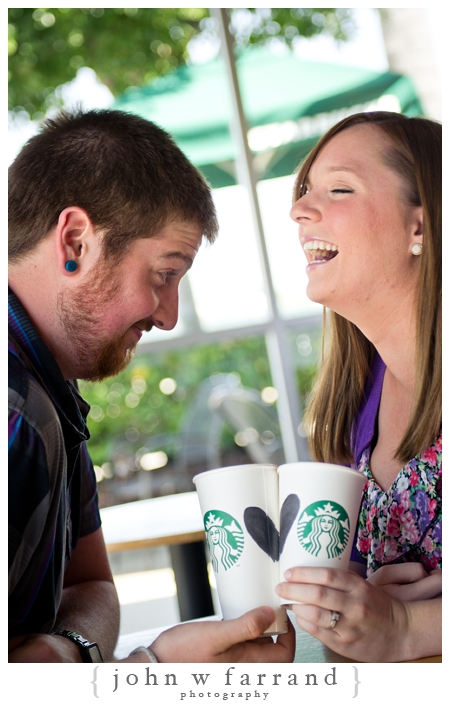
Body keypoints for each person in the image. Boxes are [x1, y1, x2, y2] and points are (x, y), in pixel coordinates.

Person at [8, 108, 295, 663]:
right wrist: (151, 671)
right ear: (75, 242)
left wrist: (66, 656)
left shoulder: (50, 388)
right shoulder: (15, 414)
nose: (168, 316)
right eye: (164, 274)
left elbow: (89, 587)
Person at [276, 111, 442, 662]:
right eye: (304, 191)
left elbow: (401, 629)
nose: (299, 210)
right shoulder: (356, 402)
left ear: (421, 227)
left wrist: (411, 627)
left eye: (339, 188)